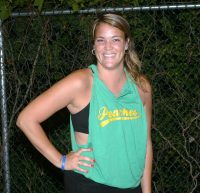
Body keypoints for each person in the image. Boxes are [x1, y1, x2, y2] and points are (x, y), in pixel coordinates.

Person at [16, 13, 153, 193]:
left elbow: (145, 143)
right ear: (94, 46)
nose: (108, 47)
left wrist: (147, 189)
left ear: (127, 44)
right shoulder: (80, 83)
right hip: (89, 184)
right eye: (101, 40)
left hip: (131, 185)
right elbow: (26, 120)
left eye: (116, 40)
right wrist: (61, 160)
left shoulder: (141, 87)